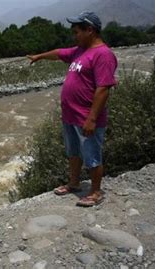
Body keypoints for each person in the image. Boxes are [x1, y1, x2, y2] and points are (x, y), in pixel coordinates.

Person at [26, 11, 118, 207]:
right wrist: (39, 56)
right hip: (70, 115)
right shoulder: (79, 51)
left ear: (90, 30)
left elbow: (103, 89)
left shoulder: (103, 55)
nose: (74, 35)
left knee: (92, 155)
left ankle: (95, 192)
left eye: (77, 31)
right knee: (73, 153)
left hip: (86, 117)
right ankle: (74, 184)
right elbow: (59, 53)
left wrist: (92, 119)